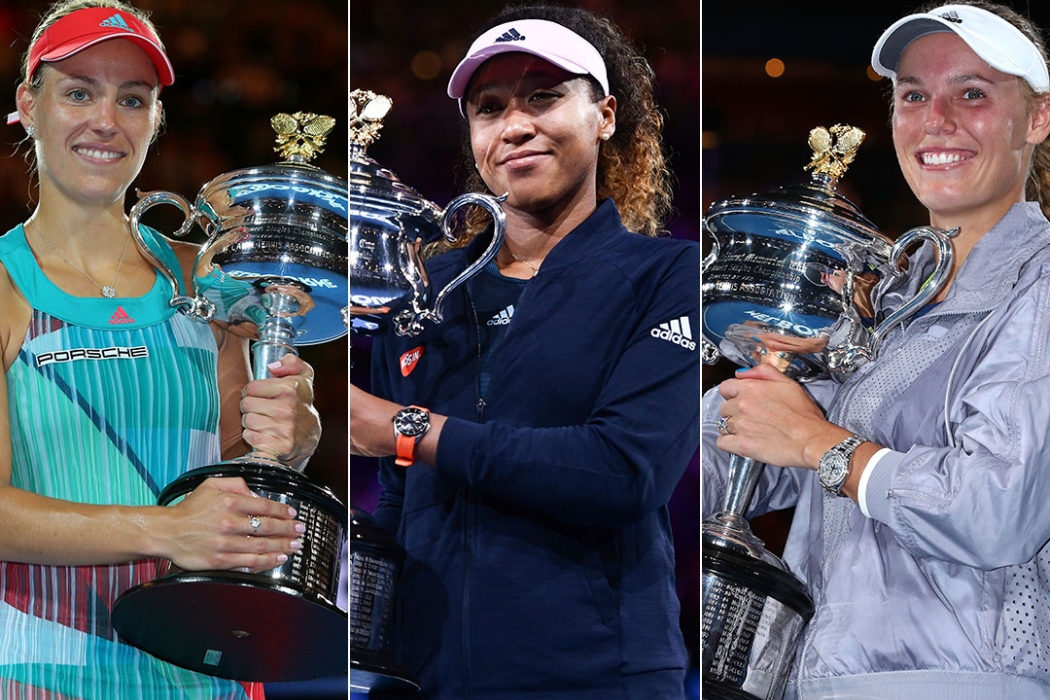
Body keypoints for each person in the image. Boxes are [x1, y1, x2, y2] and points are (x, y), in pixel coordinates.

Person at [349, 4, 700, 698]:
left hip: (599, 677)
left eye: (544, 96)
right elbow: (400, 492)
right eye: (489, 108)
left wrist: (405, 429)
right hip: (426, 680)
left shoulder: (670, 277)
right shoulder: (422, 287)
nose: (515, 126)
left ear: (604, 115)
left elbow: (623, 471)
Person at [703, 1, 1050, 697]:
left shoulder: (1039, 280)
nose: (937, 120)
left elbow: (995, 509)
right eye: (914, 95)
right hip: (821, 679)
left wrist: (820, 445)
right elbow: (764, 457)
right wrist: (740, 396)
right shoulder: (884, 297)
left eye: (972, 93)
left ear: (1038, 118)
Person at [0, 1, 322, 698]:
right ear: (29, 104)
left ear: (155, 119)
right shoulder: (2, 288)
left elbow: (247, 470)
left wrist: (294, 435)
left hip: (205, 672)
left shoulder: (208, 281)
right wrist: (167, 530)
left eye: (132, 98)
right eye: (78, 91)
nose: (105, 121)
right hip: (45, 671)